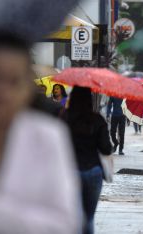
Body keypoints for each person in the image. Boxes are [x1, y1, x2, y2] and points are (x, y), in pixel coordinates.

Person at [0, 32, 81, 234]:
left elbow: (65, 224)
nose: (1, 93)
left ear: (28, 88)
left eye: (14, 82)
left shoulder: (47, 137)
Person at [63, 86, 113, 234]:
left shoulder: (63, 117)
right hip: (92, 171)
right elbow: (106, 149)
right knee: (88, 217)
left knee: (73, 216)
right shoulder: (97, 120)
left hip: (68, 171)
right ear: (89, 100)